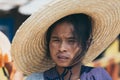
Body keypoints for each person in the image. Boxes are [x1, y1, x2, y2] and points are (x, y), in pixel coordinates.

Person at [11, 0, 120, 80]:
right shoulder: (36, 79)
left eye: (71, 41)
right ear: (48, 43)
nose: (62, 48)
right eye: (56, 40)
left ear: (87, 44)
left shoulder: (97, 76)